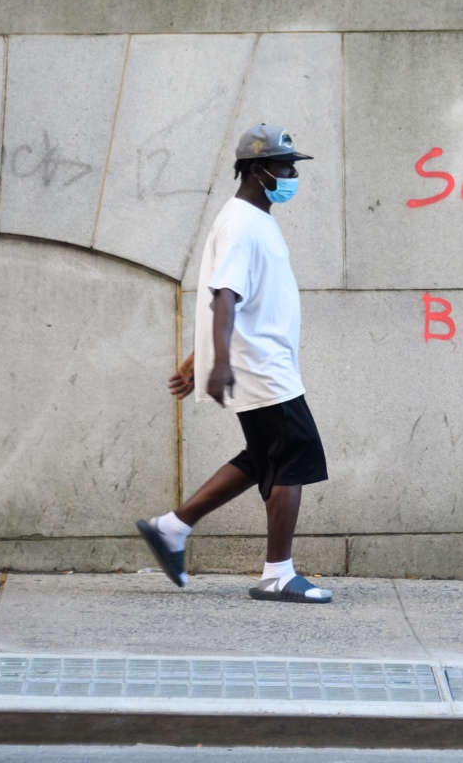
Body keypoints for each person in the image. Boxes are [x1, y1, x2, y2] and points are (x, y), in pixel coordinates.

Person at [137, 123, 332, 604]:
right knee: (294, 457)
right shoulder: (242, 223)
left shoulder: (254, 219)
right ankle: (278, 573)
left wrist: (198, 357)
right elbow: (225, 297)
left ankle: (172, 528)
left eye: (293, 165)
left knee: (262, 457)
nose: (291, 174)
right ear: (256, 170)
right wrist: (218, 363)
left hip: (261, 361)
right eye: (284, 166)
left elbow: (232, 301)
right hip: (261, 368)